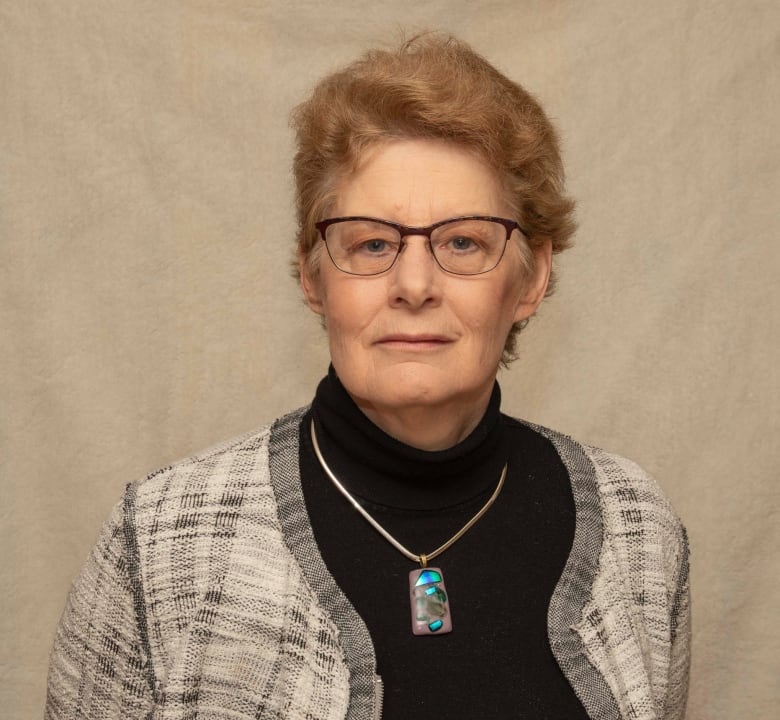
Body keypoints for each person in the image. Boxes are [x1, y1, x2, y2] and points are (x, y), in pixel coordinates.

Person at [46, 33, 690, 719]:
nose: (414, 284)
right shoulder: (157, 546)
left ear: (531, 278)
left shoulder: (637, 530)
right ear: (313, 276)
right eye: (373, 243)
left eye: (464, 241)